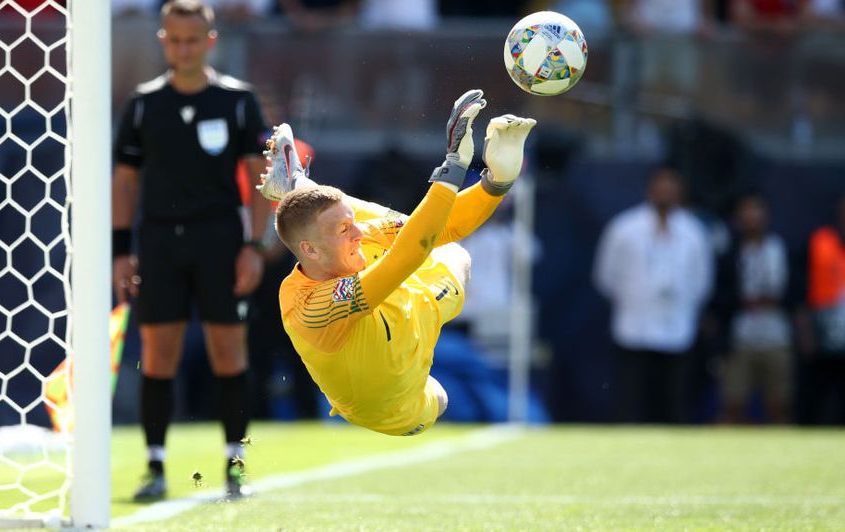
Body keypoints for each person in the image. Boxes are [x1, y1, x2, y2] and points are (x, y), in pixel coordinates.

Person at [257, 89, 536, 436]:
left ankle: (298, 187)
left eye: (352, 223)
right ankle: (298, 187)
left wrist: (496, 182)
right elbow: (412, 251)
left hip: (408, 316)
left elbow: (439, 227)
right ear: (310, 251)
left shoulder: (353, 239)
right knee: (438, 256)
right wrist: (454, 166)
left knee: (446, 249)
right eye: (346, 229)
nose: (359, 232)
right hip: (386, 408)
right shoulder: (310, 305)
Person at [111, 0, 270, 500]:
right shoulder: (142, 103)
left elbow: (258, 177)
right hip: (159, 240)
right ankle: (155, 467)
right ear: (163, 41)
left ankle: (235, 465)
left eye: (193, 39)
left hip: (220, 239)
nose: (184, 48)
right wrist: (121, 249)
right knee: (158, 355)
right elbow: (124, 181)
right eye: (175, 40)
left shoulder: (239, 101)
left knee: (230, 350)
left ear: (210, 41)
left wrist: (254, 246)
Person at [593, 165, 714, 423]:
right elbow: (605, 276)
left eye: (672, 187)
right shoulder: (624, 228)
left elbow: (702, 281)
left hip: (678, 329)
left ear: (681, 192)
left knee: (674, 401)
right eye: (661, 185)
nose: (666, 192)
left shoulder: (694, 232)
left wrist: (684, 306)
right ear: (650, 189)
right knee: (631, 402)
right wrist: (632, 299)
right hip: (634, 328)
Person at [714, 193, 792, 423]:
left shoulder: (781, 247)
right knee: (733, 403)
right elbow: (719, 294)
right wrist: (742, 301)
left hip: (776, 336)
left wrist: (775, 301)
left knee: (780, 403)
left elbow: (796, 291)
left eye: (756, 209)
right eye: (745, 210)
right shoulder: (728, 252)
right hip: (740, 337)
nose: (751, 216)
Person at [795, 193, 845, 424]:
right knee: (820, 396)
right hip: (823, 330)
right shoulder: (819, 241)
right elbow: (801, 291)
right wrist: (806, 332)